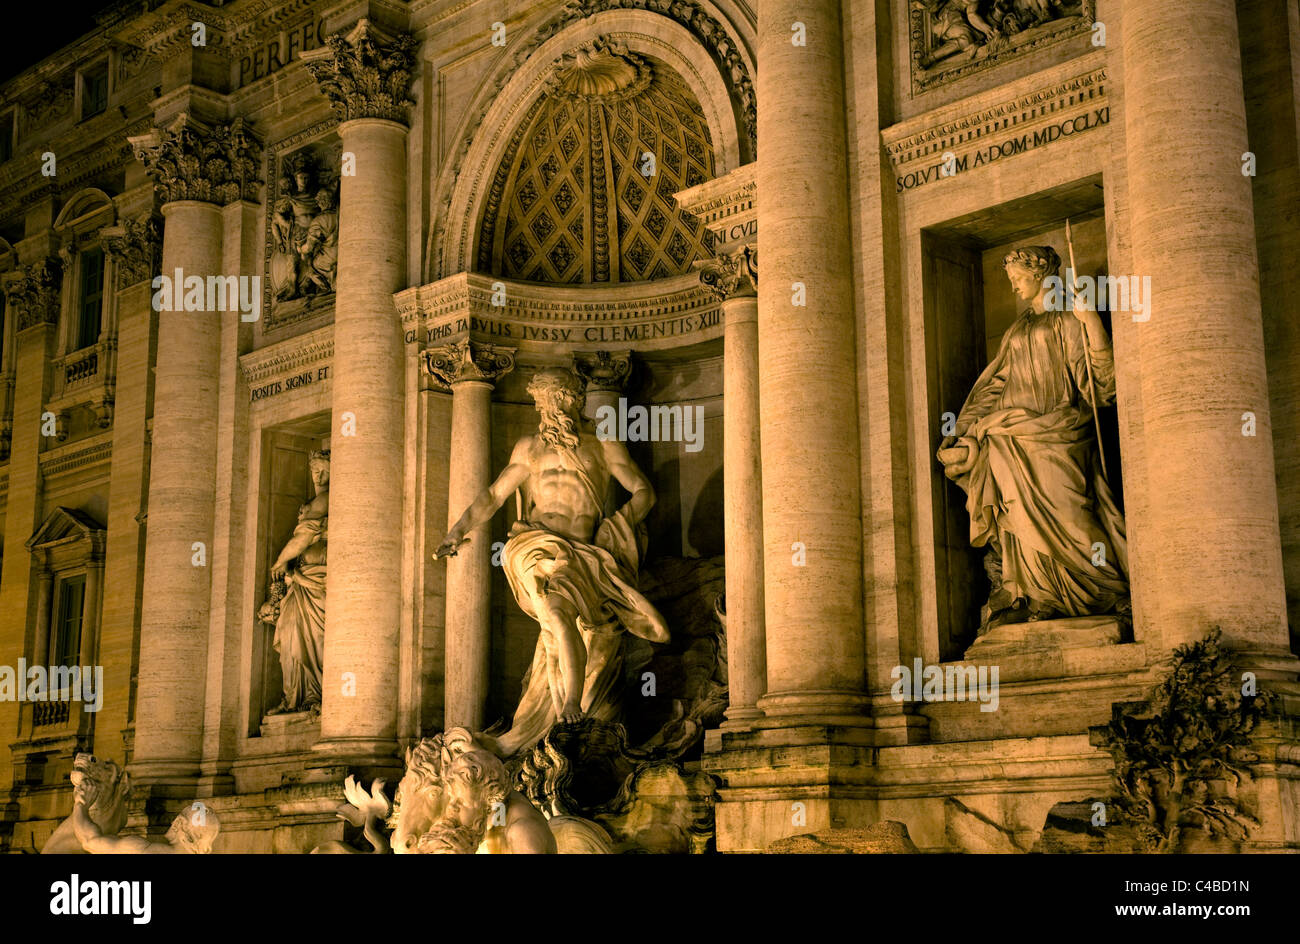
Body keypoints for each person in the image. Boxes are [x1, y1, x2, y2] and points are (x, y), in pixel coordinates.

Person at [434, 367, 669, 756]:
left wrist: (622, 522)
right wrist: (457, 530)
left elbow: (644, 491)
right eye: (543, 402)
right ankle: (570, 705)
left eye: (556, 399)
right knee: (557, 614)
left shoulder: (604, 445)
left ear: (575, 400)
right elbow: (493, 497)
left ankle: (560, 709)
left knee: (567, 629)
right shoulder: (529, 448)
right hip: (534, 546)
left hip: (582, 555)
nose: (549, 409)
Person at [937, 245, 1129, 634]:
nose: (1012, 288)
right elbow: (995, 386)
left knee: (1074, 515)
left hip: (1059, 432)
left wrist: (1091, 323)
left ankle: (1106, 589)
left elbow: (1099, 386)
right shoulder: (1017, 329)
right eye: (1009, 280)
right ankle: (1038, 594)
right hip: (1008, 436)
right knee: (1017, 519)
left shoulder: (1068, 320)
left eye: (1017, 279)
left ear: (1041, 275)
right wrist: (961, 429)